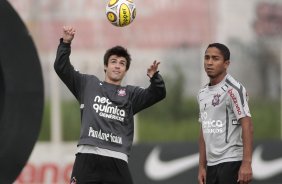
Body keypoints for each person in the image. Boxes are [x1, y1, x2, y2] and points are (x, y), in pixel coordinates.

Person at [54, 26, 166, 184]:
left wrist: (155, 78)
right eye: (113, 61)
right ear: (105, 66)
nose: (117, 65)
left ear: (125, 70)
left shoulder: (130, 94)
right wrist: (65, 43)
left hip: (116, 160)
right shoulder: (88, 84)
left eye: (122, 63)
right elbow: (61, 68)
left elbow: (158, 94)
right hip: (87, 157)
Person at [197, 43, 253, 184]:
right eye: (207, 57)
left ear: (226, 64)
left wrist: (246, 164)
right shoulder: (202, 93)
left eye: (215, 58)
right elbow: (204, 129)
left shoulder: (234, 89)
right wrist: (202, 167)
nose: (209, 62)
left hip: (232, 161)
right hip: (212, 165)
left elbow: (247, 125)